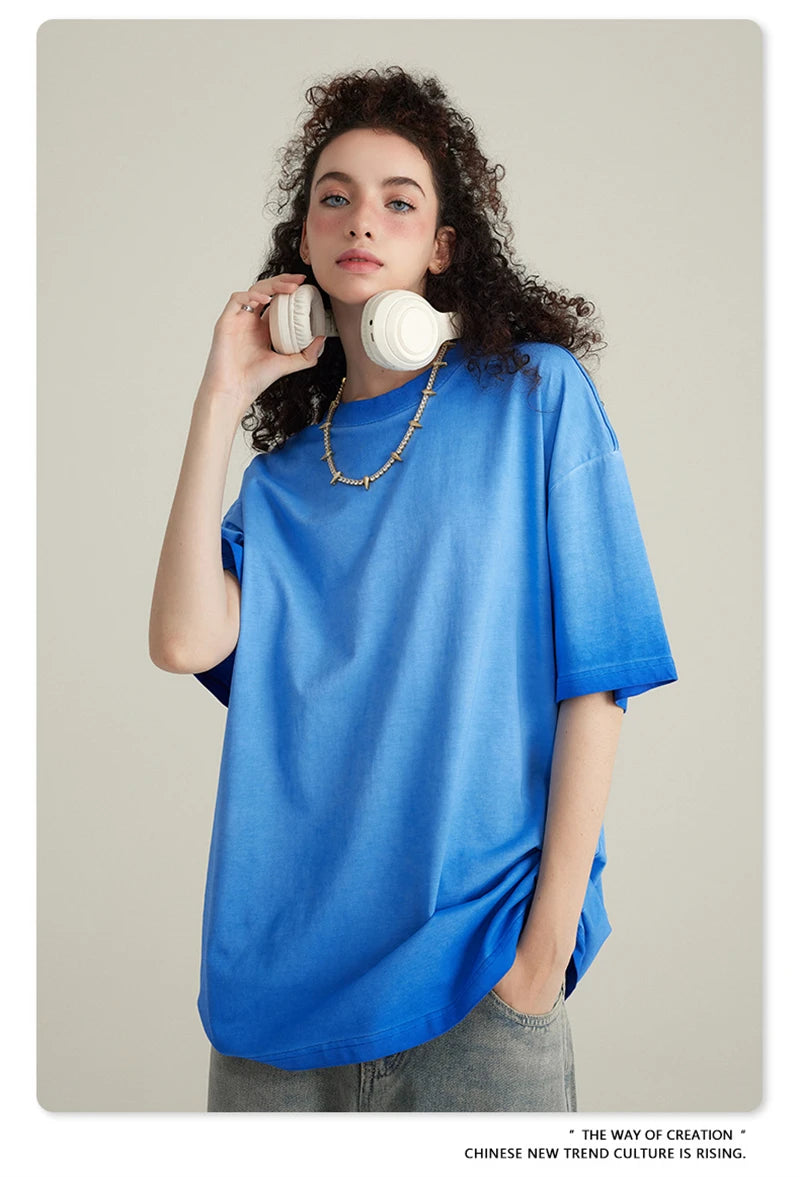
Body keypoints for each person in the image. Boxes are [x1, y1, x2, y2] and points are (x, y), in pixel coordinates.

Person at [149, 66, 677, 1113]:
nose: (362, 218)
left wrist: (541, 955)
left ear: (441, 247)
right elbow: (182, 640)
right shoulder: (281, 484)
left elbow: (598, 676)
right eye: (334, 197)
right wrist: (219, 397)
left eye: (399, 201)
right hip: (272, 1008)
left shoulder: (535, 398)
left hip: (479, 983)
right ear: (303, 243)